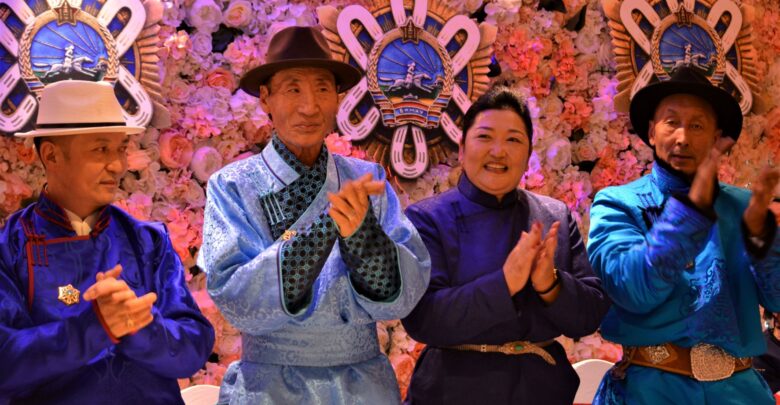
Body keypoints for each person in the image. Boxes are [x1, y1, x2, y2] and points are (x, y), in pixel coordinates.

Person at [198, 26, 431, 404]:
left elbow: (405, 293)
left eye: (322, 88)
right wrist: (325, 228)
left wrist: (364, 237)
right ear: (265, 98)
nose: (309, 106)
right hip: (270, 387)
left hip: (361, 386)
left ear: (337, 97)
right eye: (293, 89)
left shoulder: (367, 178)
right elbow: (235, 296)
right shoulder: (232, 185)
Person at [0, 80, 215, 404]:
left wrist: (143, 327)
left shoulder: (148, 241)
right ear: (51, 155)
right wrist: (93, 328)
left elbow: (194, 348)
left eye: (121, 149)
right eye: (101, 150)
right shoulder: (11, 248)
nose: (118, 165)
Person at [400, 86, 611, 404]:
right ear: (462, 148)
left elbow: (590, 316)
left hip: (542, 392)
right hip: (452, 391)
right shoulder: (427, 218)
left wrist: (551, 284)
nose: (498, 151)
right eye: (484, 137)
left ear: (528, 156)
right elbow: (423, 319)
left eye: (513, 140)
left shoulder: (553, 215)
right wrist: (504, 283)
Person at [588, 65, 780, 404]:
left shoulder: (745, 207)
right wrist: (690, 214)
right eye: (671, 122)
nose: (683, 138)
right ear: (651, 132)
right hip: (649, 390)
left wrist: (762, 241)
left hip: (738, 393)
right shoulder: (618, 203)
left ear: (718, 137)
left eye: (697, 125)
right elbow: (632, 290)